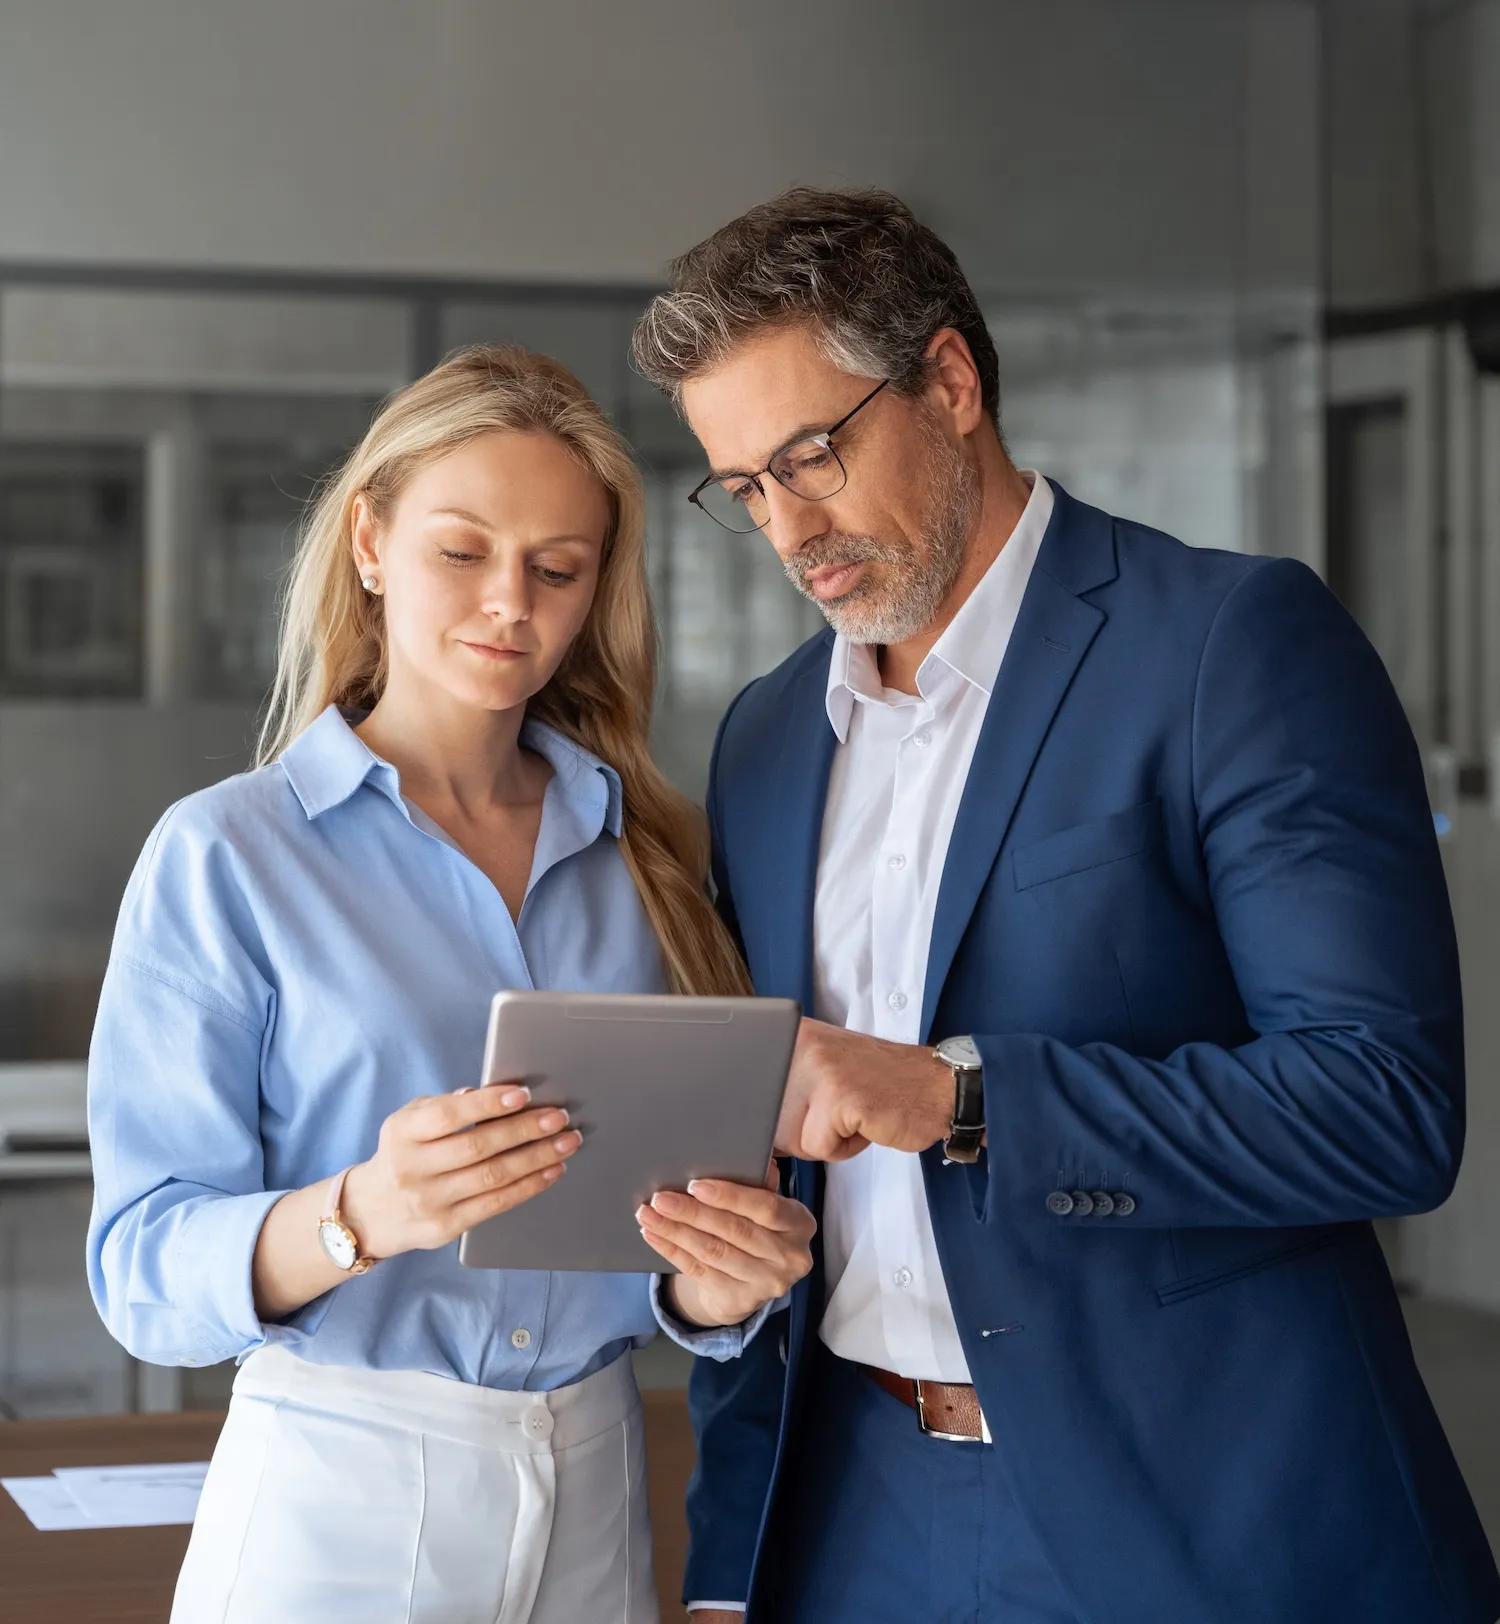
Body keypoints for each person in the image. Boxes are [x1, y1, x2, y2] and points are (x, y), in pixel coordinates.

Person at [631, 189, 1500, 1624]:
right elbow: (774, 1164)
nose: (789, 526)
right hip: (850, 1515)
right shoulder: (768, 736)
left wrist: (959, 1100)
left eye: (811, 455)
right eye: (743, 487)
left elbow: (1384, 1107)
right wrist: (732, 1563)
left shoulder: (1229, 644)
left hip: (1189, 1518)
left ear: (949, 383)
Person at [85, 345, 815, 1624]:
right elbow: (140, 1271)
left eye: (557, 568)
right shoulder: (228, 854)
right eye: (462, 551)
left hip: (598, 1483)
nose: (508, 604)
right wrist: (362, 1210)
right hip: (338, 1491)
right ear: (371, 542)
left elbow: (657, 1233)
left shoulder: (654, 857)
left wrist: (705, 1284)